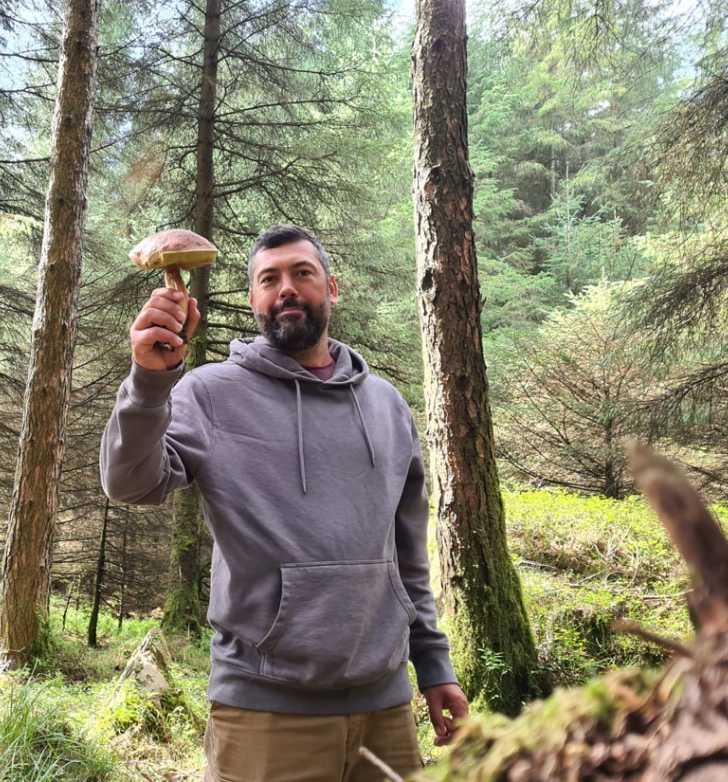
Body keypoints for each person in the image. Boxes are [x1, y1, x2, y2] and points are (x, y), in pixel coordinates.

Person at [100, 224, 468, 781]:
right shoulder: (210, 393)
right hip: (262, 708)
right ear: (254, 300)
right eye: (269, 279)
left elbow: (406, 552)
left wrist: (433, 664)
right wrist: (150, 381)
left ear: (331, 288)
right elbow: (128, 483)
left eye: (302, 273)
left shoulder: (387, 404)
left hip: (386, 708)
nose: (286, 288)